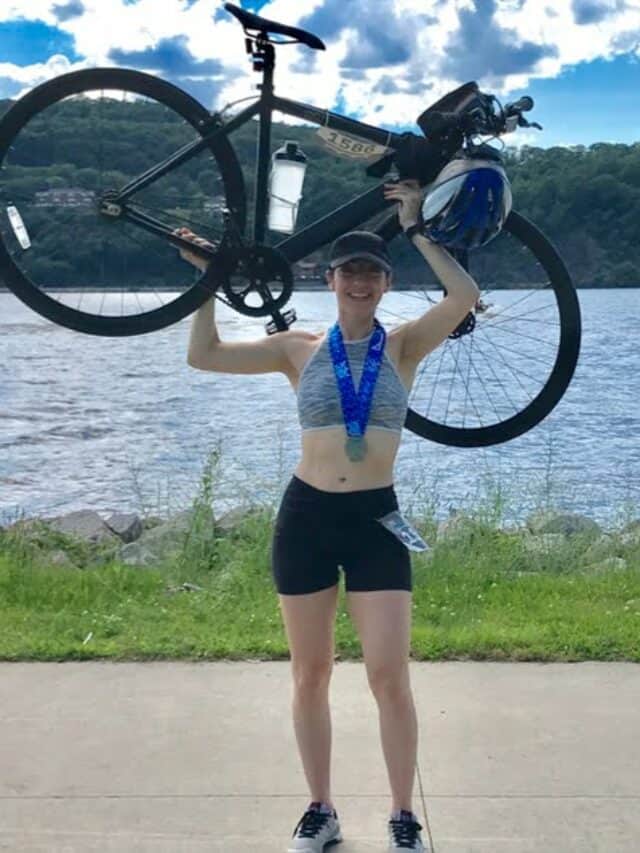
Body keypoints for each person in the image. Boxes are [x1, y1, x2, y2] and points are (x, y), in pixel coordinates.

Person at [181, 179, 480, 852]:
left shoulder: (404, 346)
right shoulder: (298, 349)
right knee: (310, 673)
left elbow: (463, 299)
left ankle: (404, 816)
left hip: (377, 517)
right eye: (350, 270)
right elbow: (204, 355)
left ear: (383, 282)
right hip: (308, 516)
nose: (361, 281)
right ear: (330, 278)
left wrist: (417, 226)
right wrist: (207, 283)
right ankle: (320, 809)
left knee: (387, 674)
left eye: (373, 271)